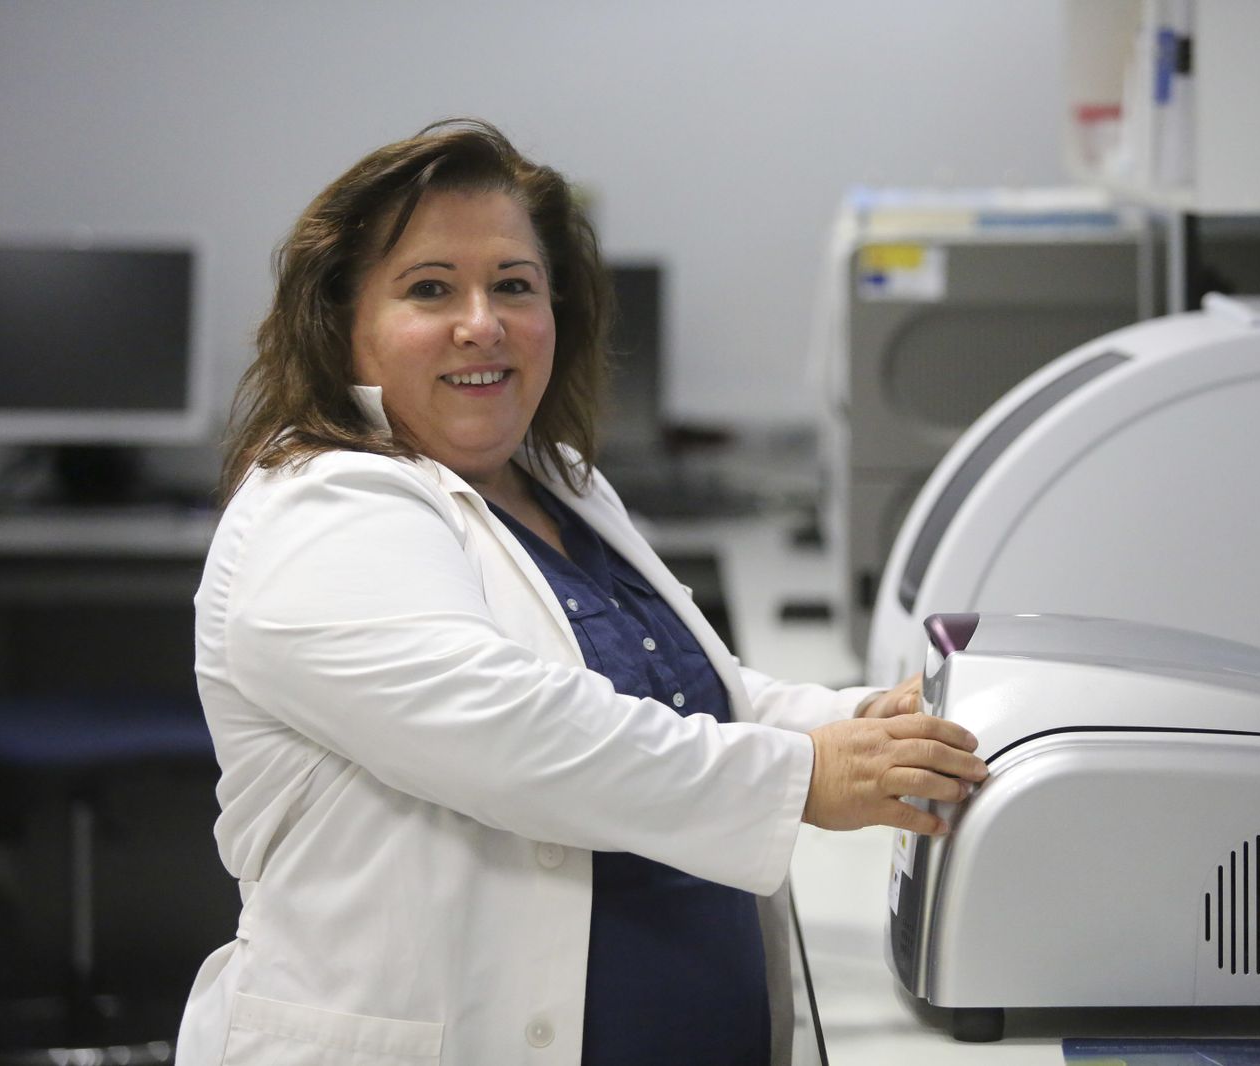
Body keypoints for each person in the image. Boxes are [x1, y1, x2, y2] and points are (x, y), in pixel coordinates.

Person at [176, 118, 986, 1066]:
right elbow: (513, 733)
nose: (483, 322)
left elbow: (680, 695)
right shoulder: (320, 506)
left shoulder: (556, 482)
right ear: (343, 326)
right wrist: (808, 774)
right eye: (430, 288)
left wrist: (856, 720)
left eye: (514, 285)